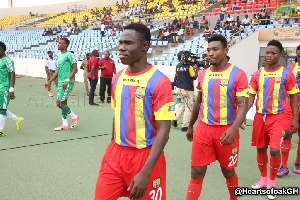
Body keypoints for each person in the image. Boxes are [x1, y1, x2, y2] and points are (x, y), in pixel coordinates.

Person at [95, 23, 175, 200]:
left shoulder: (160, 82)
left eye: (128, 43)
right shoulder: (118, 77)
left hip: (145, 157)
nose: (121, 48)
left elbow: (164, 130)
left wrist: (146, 172)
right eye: (121, 42)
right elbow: (118, 115)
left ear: (144, 46)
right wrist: (111, 147)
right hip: (115, 155)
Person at [186, 35, 249, 200]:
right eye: (208, 50)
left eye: (215, 49)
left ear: (226, 50)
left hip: (226, 130)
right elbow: (198, 101)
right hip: (204, 128)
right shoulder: (203, 74)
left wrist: (234, 128)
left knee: (228, 171)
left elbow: (243, 104)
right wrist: (192, 125)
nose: (210, 53)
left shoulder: (238, 74)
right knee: (196, 171)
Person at [247, 40, 298, 200]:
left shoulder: (286, 74)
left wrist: (295, 118)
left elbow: (293, 96)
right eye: (267, 52)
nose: (269, 55)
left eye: (273, 53)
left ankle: (272, 183)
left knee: (275, 150)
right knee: (261, 149)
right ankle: (263, 179)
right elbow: (251, 97)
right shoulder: (257, 74)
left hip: (279, 117)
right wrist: (241, 116)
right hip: (259, 118)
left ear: (280, 55)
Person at [44, 38, 79, 131]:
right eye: (58, 43)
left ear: (65, 45)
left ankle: (74, 116)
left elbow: (75, 69)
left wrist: (67, 80)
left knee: (59, 103)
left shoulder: (70, 55)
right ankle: (65, 124)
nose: (58, 44)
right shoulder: (59, 57)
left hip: (66, 82)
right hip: (60, 82)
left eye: (60, 43)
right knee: (63, 103)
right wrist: (49, 81)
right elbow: (57, 71)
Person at [277, 45, 300, 176]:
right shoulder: (290, 69)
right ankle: (284, 166)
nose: (299, 58)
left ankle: (297, 161)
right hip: (291, 106)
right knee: (287, 134)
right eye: (298, 55)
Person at [0, 42, 24, 137]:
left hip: (4, 88)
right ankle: (17, 119)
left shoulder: (8, 60)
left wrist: (11, 89)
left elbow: (12, 74)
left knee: (2, 109)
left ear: (1, 50)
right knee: (1, 108)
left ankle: (1, 130)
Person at [172, 51, 198, 131]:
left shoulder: (178, 66)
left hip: (180, 89)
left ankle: (175, 119)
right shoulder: (189, 67)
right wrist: (197, 69)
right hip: (188, 90)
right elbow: (194, 77)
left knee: (183, 105)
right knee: (188, 107)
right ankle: (185, 125)